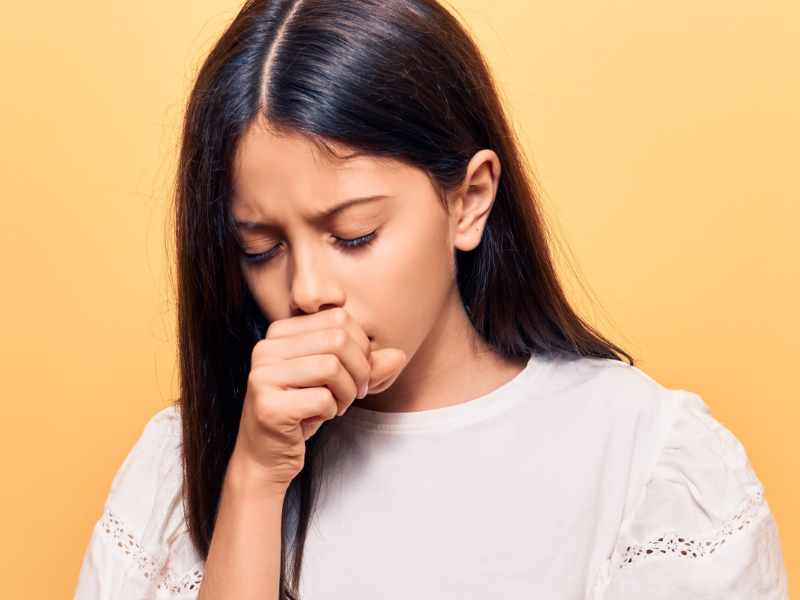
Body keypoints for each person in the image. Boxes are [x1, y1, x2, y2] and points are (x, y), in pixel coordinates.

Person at [73, 0, 790, 598]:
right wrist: (255, 481)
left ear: (469, 200)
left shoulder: (644, 458)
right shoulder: (183, 466)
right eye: (261, 248)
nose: (307, 291)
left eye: (354, 235)